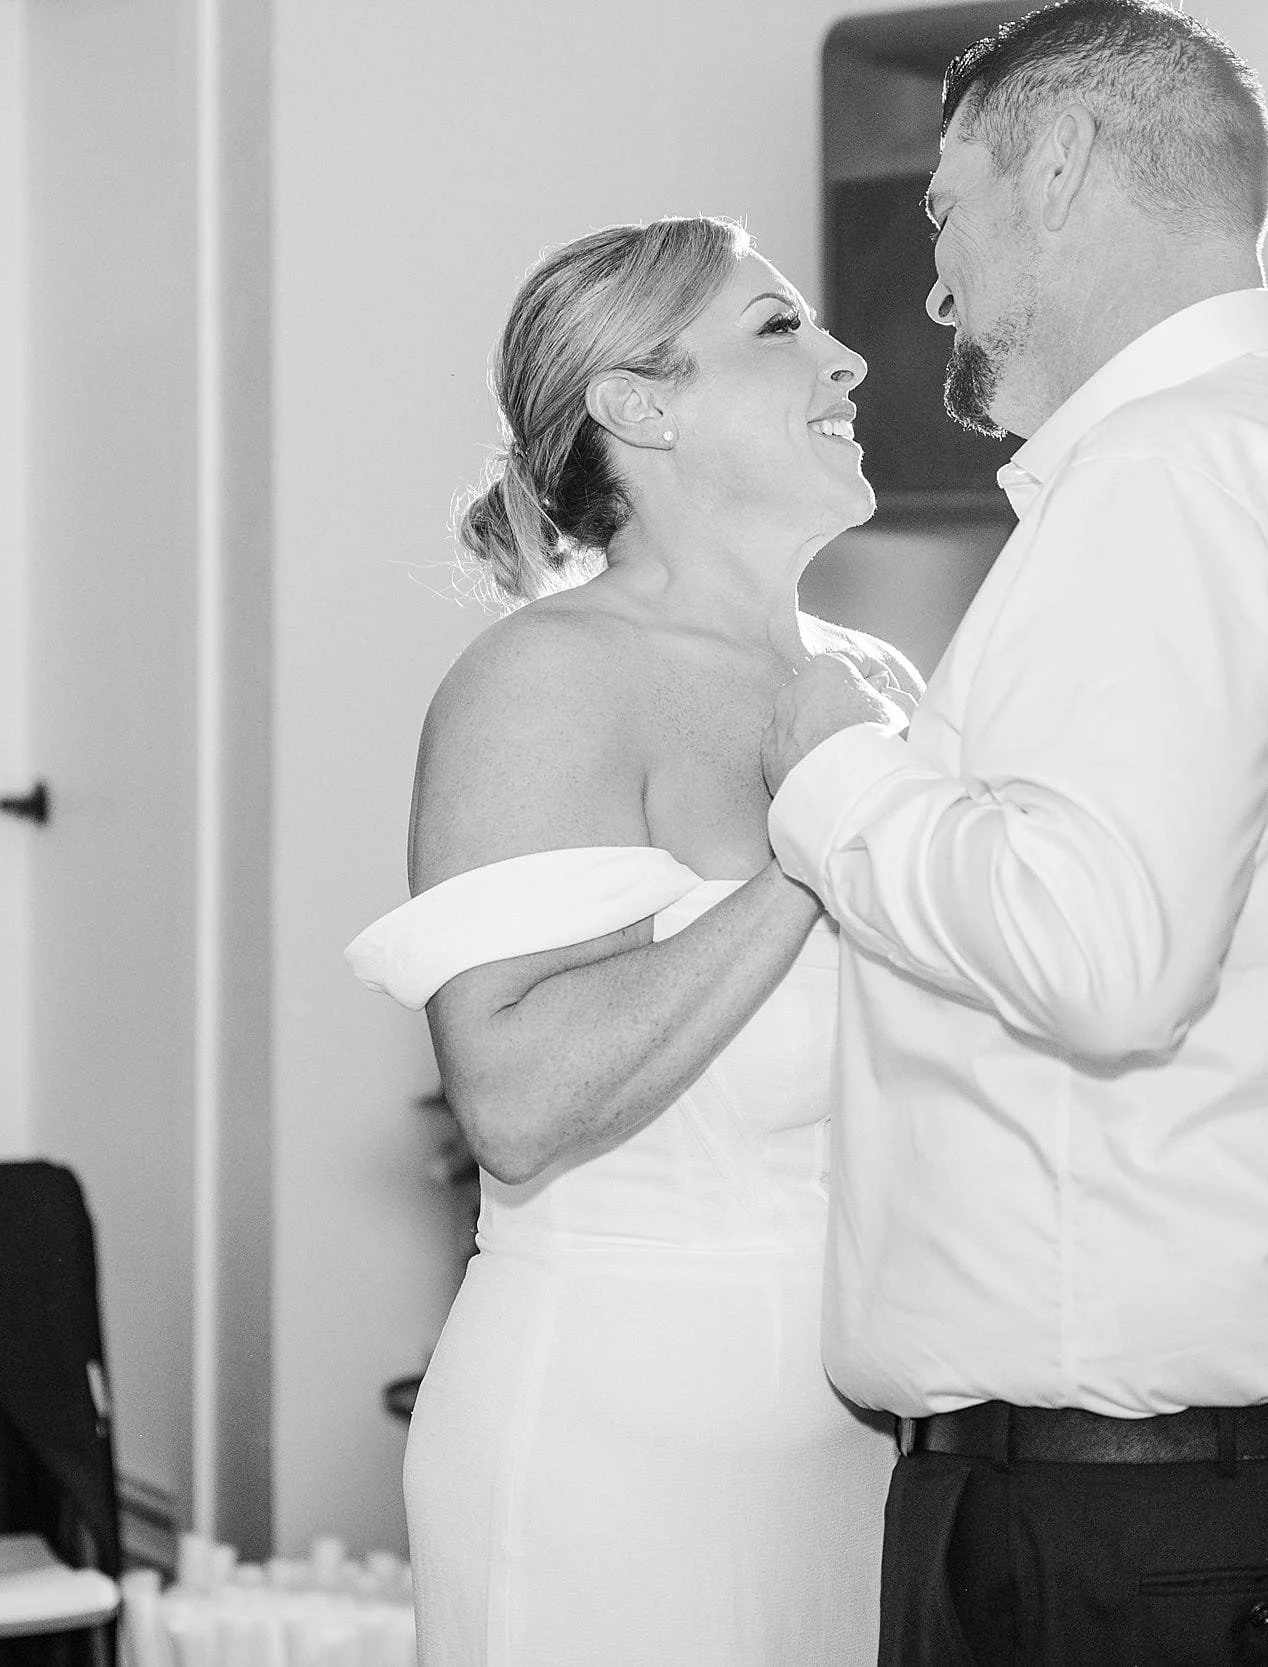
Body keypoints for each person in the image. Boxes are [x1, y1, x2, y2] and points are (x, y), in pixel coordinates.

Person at [759, 4, 1268, 1663]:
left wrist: (835, 777)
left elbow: (1105, 958)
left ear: (1066, 163)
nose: (934, 285)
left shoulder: (1175, 473)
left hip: (1154, 1537)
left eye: (945, 211)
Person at [345, 216, 909, 1666]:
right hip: (617, 1447)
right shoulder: (544, 680)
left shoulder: (874, 679)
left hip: (869, 1448)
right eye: (779, 327)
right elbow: (516, 1106)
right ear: (638, 405)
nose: (847, 355)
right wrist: (808, 852)